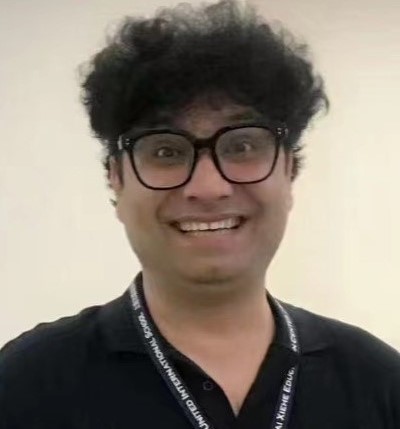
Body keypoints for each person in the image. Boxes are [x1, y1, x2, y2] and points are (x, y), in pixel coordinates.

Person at [1, 0, 399, 427]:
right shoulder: (27, 384)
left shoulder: (379, 382)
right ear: (116, 179)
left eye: (242, 146)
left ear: (289, 169)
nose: (208, 187)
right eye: (166, 151)